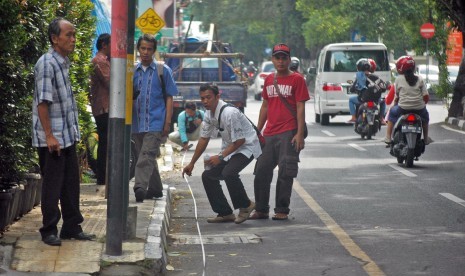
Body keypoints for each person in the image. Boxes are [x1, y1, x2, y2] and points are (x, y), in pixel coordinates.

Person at [32, 17, 96, 246]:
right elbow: (42, 102)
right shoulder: (47, 63)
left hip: (66, 136)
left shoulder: (63, 62)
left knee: (70, 184)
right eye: (68, 35)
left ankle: (72, 227)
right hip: (53, 138)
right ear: (54, 38)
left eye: (74, 35)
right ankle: (49, 229)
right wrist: (49, 135)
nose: (73, 39)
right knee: (52, 185)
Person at [182, 83, 261, 224]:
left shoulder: (230, 113)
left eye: (208, 97)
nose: (205, 101)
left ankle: (246, 205)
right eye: (202, 98)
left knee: (229, 173)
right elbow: (204, 138)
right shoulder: (208, 114)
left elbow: (241, 141)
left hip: (247, 146)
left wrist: (220, 156)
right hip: (231, 148)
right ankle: (225, 212)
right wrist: (192, 163)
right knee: (208, 176)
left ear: (217, 96)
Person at [249, 43, 310, 221]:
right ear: (273, 60)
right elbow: (265, 106)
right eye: (278, 58)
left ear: (289, 60)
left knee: (286, 171)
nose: (281, 61)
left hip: (289, 132)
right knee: (261, 171)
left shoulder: (297, 79)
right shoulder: (269, 80)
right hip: (269, 133)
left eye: (284, 58)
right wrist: (258, 131)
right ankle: (261, 209)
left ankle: (282, 209)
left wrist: (299, 134)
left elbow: (300, 107)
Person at [132, 33, 179, 203]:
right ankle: (155, 188)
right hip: (136, 123)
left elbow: (169, 97)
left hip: (155, 122)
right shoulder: (132, 71)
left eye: (149, 49)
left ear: (154, 51)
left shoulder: (162, 70)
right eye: (143, 48)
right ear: (138, 49)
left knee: (146, 155)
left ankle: (139, 188)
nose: (145, 52)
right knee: (145, 156)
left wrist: (167, 122)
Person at [384, 56, 433, 145]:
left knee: (391, 113)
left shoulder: (398, 79)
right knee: (425, 118)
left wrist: (394, 105)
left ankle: (388, 137)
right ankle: (425, 139)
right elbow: (426, 97)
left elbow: (397, 97)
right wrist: (422, 105)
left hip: (403, 108)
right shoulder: (420, 78)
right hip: (419, 109)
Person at [89, 33, 111, 186]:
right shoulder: (100, 61)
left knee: (106, 141)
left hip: (105, 106)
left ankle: (104, 176)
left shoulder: (104, 60)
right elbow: (110, 82)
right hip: (104, 107)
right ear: (104, 45)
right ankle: (102, 177)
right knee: (105, 142)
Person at [348, 58, 386, 124]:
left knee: (351, 100)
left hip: (363, 99)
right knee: (383, 101)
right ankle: (382, 118)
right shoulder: (375, 76)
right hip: (376, 100)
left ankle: (353, 117)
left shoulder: (359, 77)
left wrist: (354, 89)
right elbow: (383, 87)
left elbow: (352, 89)